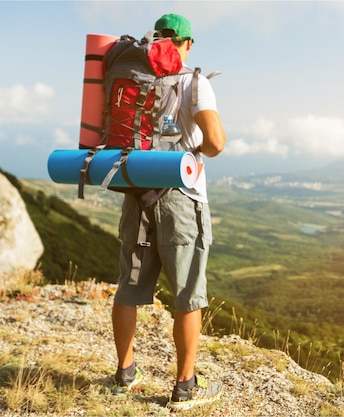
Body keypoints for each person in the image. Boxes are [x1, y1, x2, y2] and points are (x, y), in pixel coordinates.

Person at [109, 13, 226, 411]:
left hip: (135, 188)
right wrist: (195, 157)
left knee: (129, 285)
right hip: (181, 198)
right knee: (187, 294)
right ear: (188, 43)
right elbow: (215, 141)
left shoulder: (130, 75)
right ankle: (185, 386)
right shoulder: (195, 81)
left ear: (156, 38)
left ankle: (125, 372)